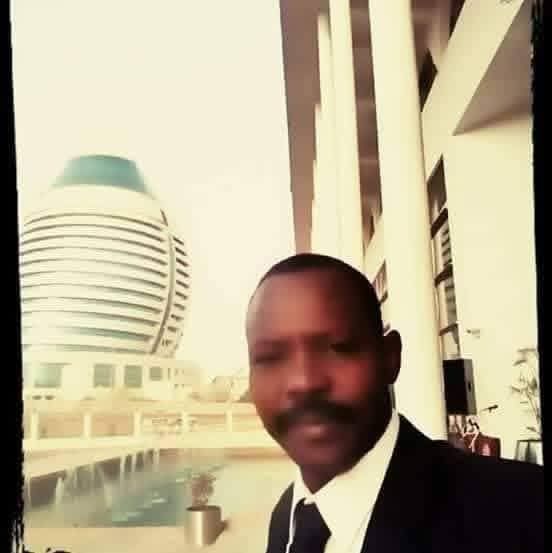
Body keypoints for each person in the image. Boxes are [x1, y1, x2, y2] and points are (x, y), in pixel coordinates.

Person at [245, 253, 544, 553]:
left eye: (338, 348)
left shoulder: (524, 512)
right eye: (270, 358)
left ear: (390, 358)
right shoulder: (286, 518)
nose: (304, 382)